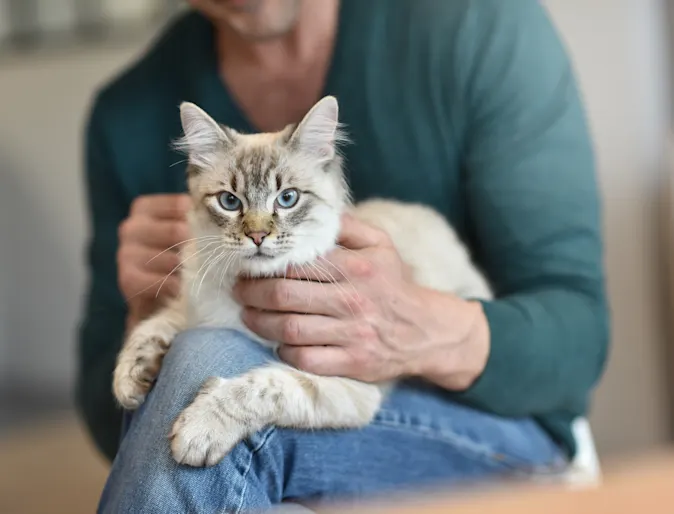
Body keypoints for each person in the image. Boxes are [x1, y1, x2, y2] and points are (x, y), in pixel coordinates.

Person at [78, 0, 609, 511]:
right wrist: (147, 312)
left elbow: (580, 336)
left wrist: (415, 329)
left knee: (205, 358)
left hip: (485, 419)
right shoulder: (129, 113)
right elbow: (119, 427)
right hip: (267, 437)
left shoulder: (477, 24)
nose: (259, 230)